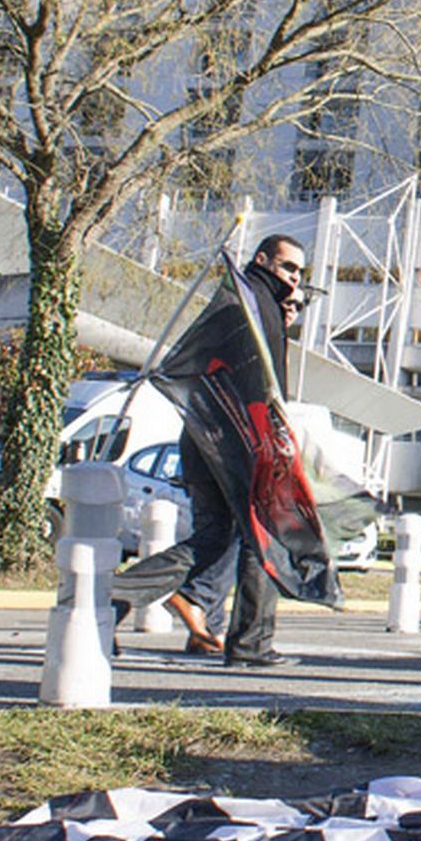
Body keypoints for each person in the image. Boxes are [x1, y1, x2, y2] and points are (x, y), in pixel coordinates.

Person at [112, 233, 306, 667]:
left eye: (300, 272)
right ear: (263, 260)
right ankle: (250, 642)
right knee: (263, 538)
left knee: (215, 539)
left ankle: (117, 600)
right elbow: (257, 389)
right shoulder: (249, 304)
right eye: (289, 267)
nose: (295, 278)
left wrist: (280, 321)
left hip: (211, 445)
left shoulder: (252, 305)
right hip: (232, 449)